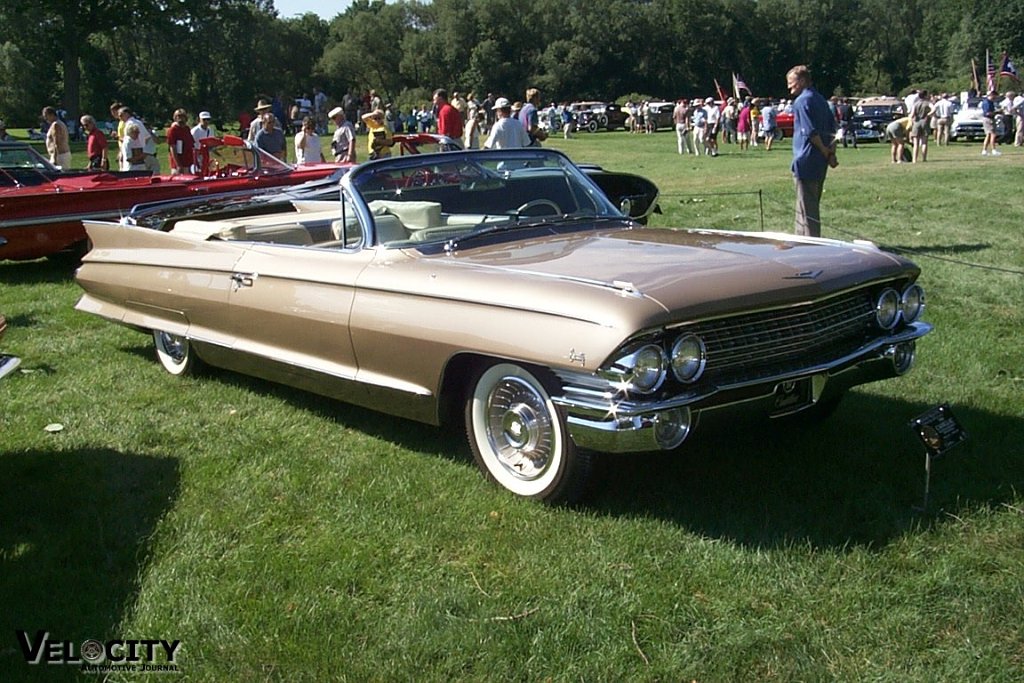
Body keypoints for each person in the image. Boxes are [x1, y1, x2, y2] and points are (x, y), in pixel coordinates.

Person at [786, 64, 838, 238]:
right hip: (820, 162)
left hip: (806, 159)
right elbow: (834, 129)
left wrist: (825, 151)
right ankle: (800, 239)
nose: (789, 87)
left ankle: (811, 243)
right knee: (808, 204)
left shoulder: (802, 101)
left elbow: (810, 132)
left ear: (801, 81)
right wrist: (831, 153)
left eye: (791, 82)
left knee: (807, 208)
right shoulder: (821, 99)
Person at [117, 106, 160, 172]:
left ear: (127, 114)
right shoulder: (139, 122)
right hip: (146, 154)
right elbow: (147, 137)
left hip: (135, 158)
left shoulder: (129, 124)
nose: (119, 118)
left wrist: (138, 151)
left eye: (121, 115)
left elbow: (129, 141)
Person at [167, 108, 196, 175]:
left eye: (182, 116)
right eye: (178, 116)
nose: (180, 119)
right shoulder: (172, 130)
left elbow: (191, 144)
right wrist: (178, 165)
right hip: (178, 163)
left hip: (188, 162)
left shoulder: (186, 129)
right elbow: (172, 148)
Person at [909, 90, 932, 163]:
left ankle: (914, 159)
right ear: (925, 96)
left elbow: (912, 115)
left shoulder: (915, 104)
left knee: (916, 143)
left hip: (916, 122)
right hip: (924, 122)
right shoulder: (927, 103)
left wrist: (911, 121)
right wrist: (928, 114)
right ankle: (924, 158)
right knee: (924, 142)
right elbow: (934, 108)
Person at [981, 90, 1000, 156]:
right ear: (991, 95)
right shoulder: (987, 102)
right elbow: (988, 113)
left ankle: (984, 150)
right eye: (995, 96)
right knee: (993, 134)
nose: (995, 97)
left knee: (988, 135)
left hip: (988, 119)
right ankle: (993, 150)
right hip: (989, 119)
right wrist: (998, 112)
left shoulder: (989, 102)